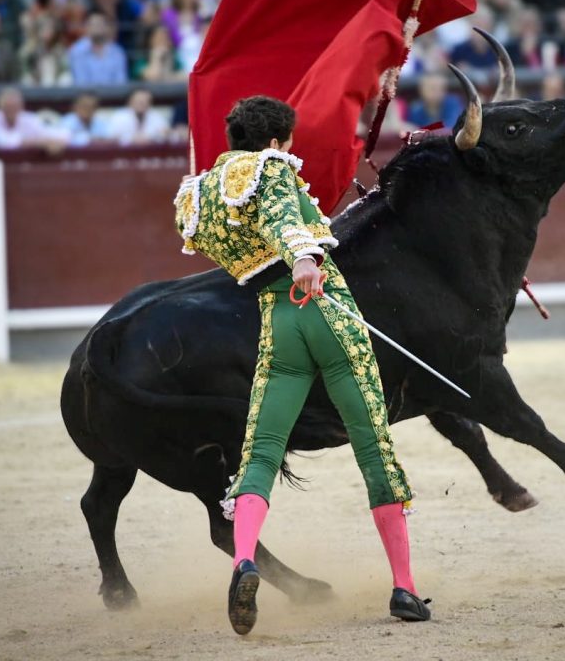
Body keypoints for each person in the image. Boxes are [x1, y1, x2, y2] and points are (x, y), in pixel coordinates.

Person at [172, 96, 427, 636]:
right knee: (372, 443)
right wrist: (307, 259)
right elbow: (286, 219)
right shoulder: (271, 168)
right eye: (287, 145)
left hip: (275, 319)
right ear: (274, 142)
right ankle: (404, 586)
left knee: (261, 449)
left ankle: (244, 560)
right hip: (324, 307)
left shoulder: (198, 193)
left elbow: (219, 237)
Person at [0, 86, 68, 150]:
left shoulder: (29, 118)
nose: (11, 109)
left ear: (21, 106)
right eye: (7, 106)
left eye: (14, 106)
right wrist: (38, 142)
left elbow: (63, 135)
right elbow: (5, 143)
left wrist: (52, 142)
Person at [68, 13, 128, 86]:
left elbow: (120, 82)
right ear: (86, 27)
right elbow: (81, 82)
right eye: (93, 25)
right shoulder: (77, 51)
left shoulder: (117, 52)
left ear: (107, 28)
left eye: (100, 25)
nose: (97, 28)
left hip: (113, 95)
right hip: (86, 94)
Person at [20, 14, 72, 86]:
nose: (47, 31)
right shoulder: (29, 50)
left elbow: (64, 70)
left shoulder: (60, 50)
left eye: (50, 28)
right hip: (35, 83)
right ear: (38, 30)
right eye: (43, 28)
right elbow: (25, 71)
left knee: (66, 78)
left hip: (55, 83)